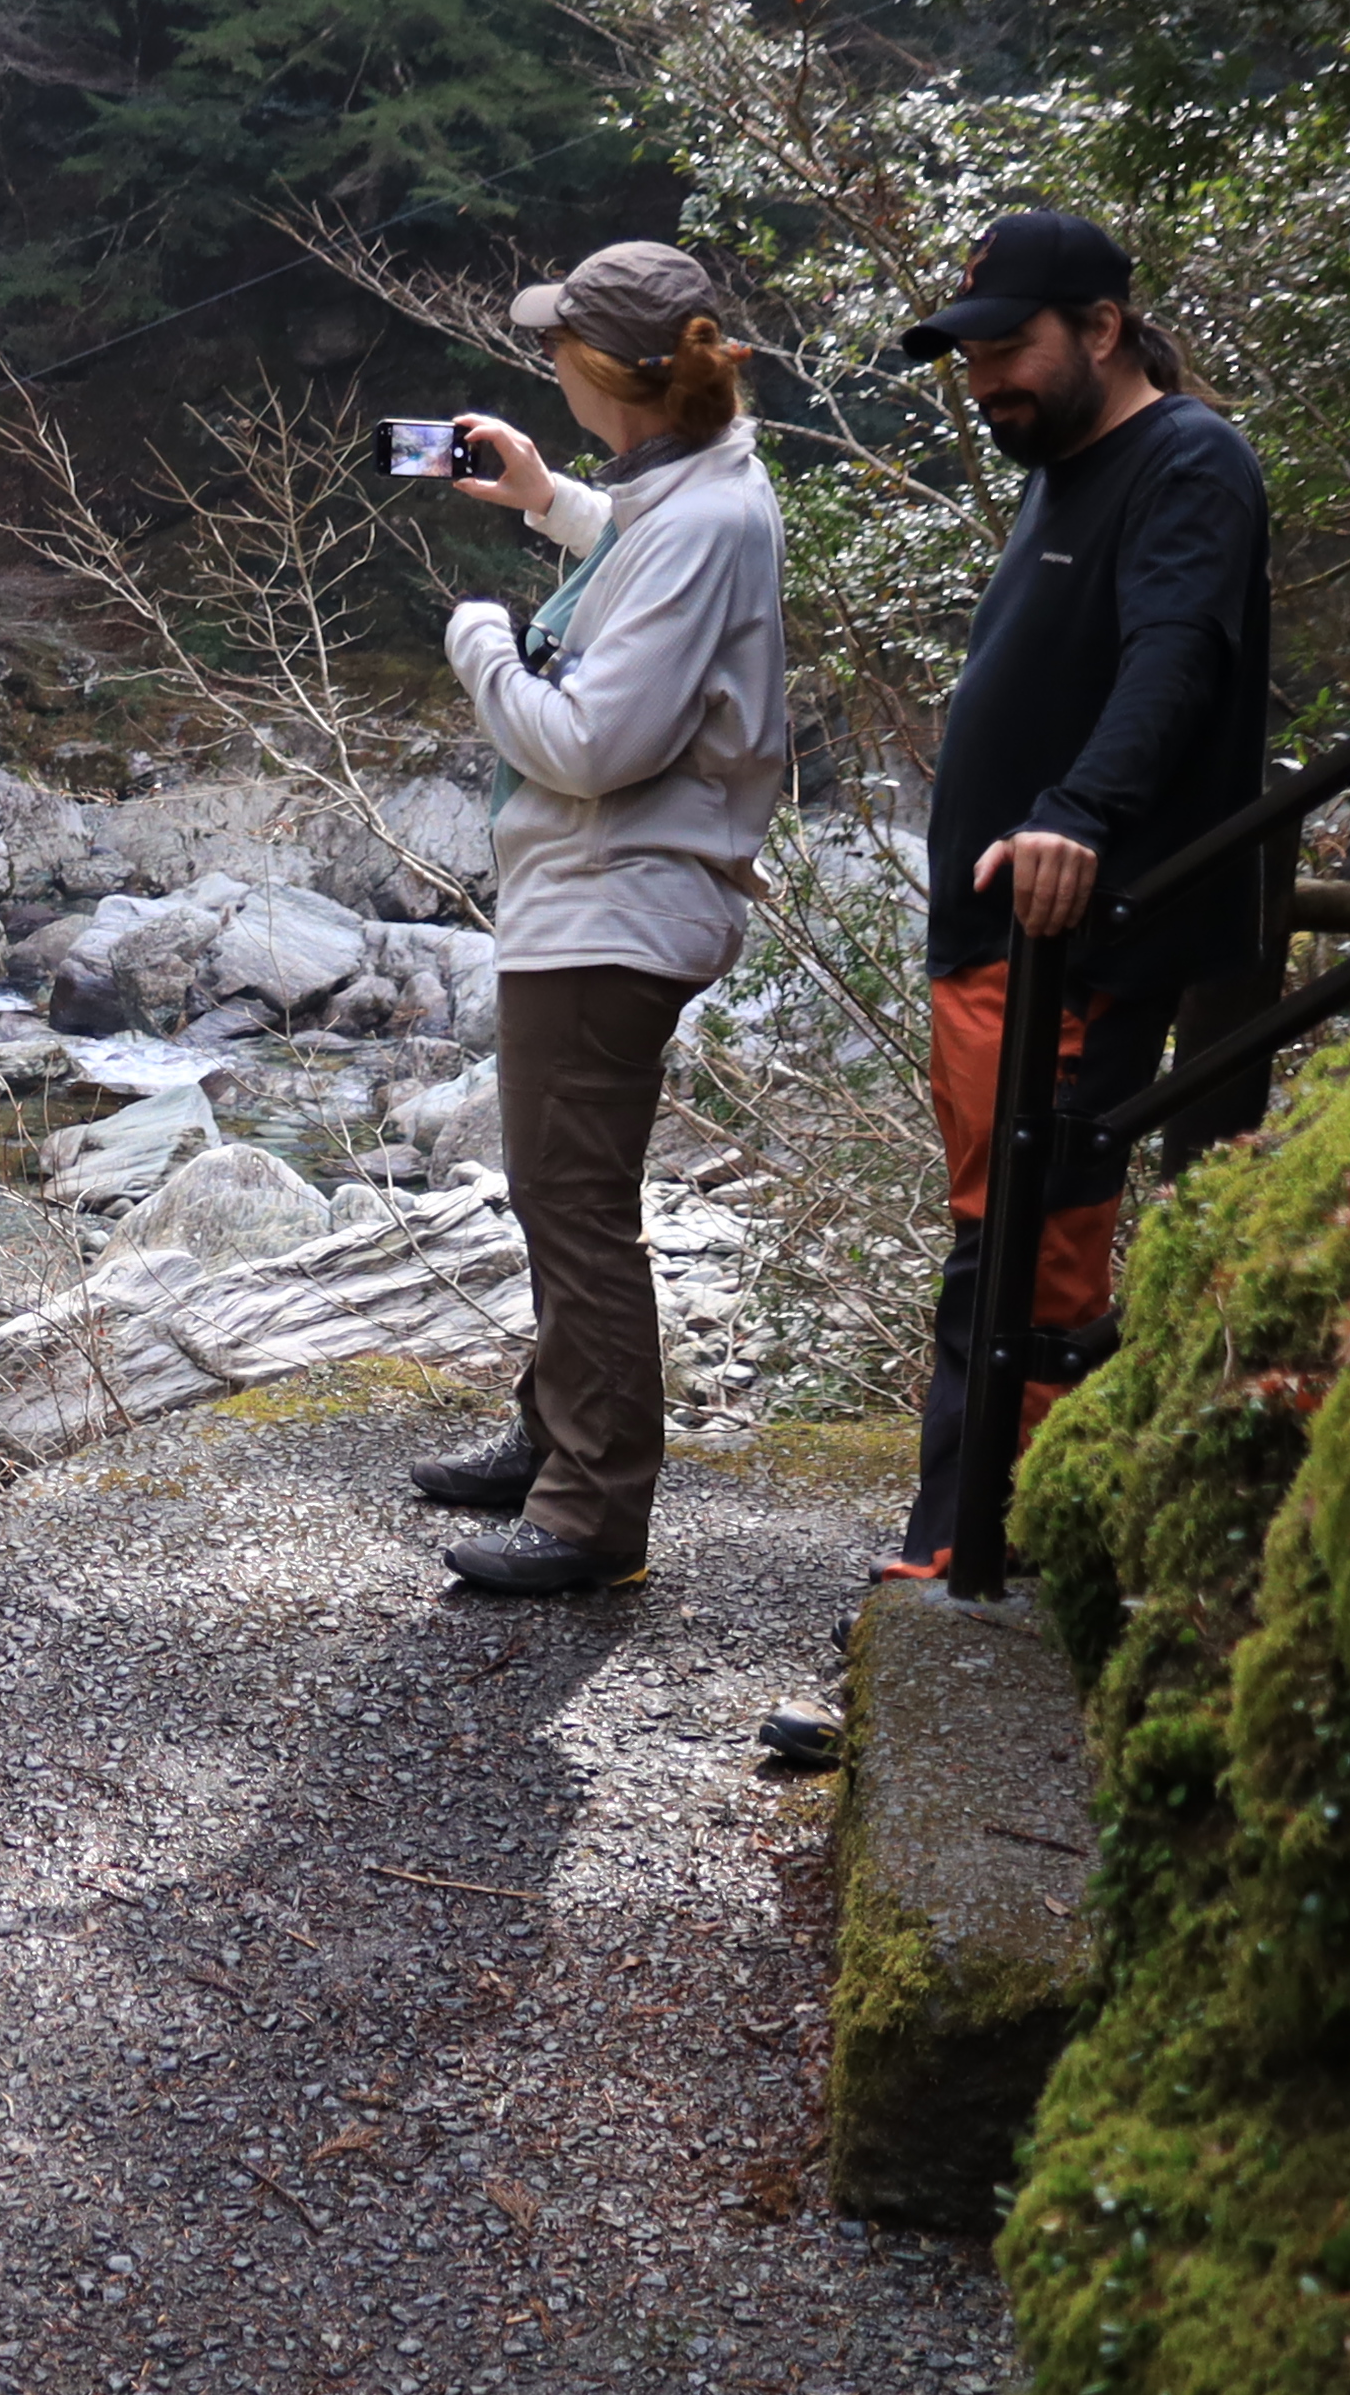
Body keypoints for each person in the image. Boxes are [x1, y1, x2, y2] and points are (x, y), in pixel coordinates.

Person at [883, 210, 1269, 1577]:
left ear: (1102, 329)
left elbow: (1179, 658)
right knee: (992, 1236)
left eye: (1007, 349)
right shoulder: (1064, 462)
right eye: (967, 356)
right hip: (991, 937)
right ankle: (966, 1541)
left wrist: (1077, 816)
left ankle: (983, 1563)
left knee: (1033, 1251)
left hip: (1076, 936)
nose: (983, 381)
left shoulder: (1188, 462)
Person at [403, 241, 790, 1595]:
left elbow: (590, 743)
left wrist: (481, 645)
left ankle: (589, 1509)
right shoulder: (701, 477)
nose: (543, 361)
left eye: (555, 347)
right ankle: (549, 1436)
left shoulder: (701, 518)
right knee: (566, 1195)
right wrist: (546, 496)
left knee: (573, 1205)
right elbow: (644, 556)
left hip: (614, 902)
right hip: (609, 895)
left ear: (592, 371)